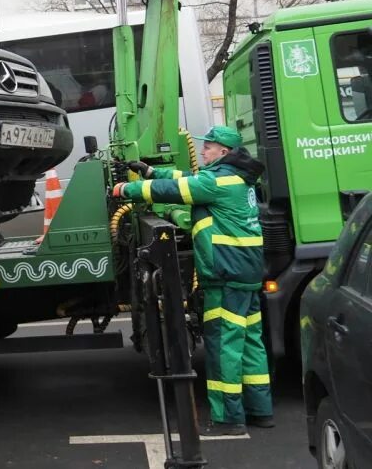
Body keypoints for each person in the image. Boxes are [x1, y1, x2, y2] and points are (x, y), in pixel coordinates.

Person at [112, 125, 274, 436]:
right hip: (246, 272)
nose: (203, 151)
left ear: (223, 152)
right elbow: (187, 180)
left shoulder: (219, 181)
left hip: (226, 274)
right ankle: (260, 411)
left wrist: (126, 190)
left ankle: (228, 418)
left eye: (209, 147)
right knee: (251, 342)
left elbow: (177, 191)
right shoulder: (233, 177)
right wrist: (149, 171)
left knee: (223, 345)